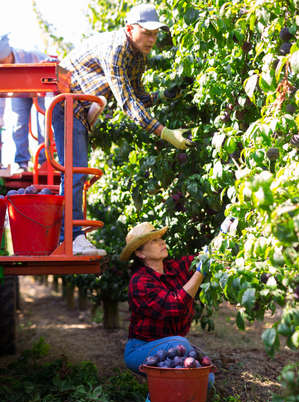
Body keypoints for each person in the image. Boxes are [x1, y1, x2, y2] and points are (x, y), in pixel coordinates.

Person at [52, 3, 193, 256]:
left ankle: (72, 237)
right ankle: (70, 238)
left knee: (78, 172)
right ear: (130, 29)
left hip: (81, 110)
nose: (152, 39)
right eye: (147, 33)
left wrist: (165, 95)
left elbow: (139, 96)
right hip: (66, 102)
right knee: (75, 171)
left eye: (155, 33)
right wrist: (164, 132)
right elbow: (127, 102)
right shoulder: (116, 48)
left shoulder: (138, 56)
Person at [120, 221, 219, 402]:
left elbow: (204, 257)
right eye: (154, 241)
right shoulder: (139, 281)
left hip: (173, 345)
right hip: (141, 349)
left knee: (207, 379)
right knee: (178, 344)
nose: (162, 242)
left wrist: (223, 233)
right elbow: (174, 306)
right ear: (141, 254)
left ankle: (178, 401)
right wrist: (199, 273)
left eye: (161, 238)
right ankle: (155, 401)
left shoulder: (175, 267)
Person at [0, 34, 47, 172]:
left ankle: (44, 161)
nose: (2, 65)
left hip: (41, 88)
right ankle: (22, 163)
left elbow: (51, 67)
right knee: (18, 123)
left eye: (3, 61)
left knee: (43, 121)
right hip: (20, 91)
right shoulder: (2, 69)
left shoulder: (31, 55)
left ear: (10, 55)